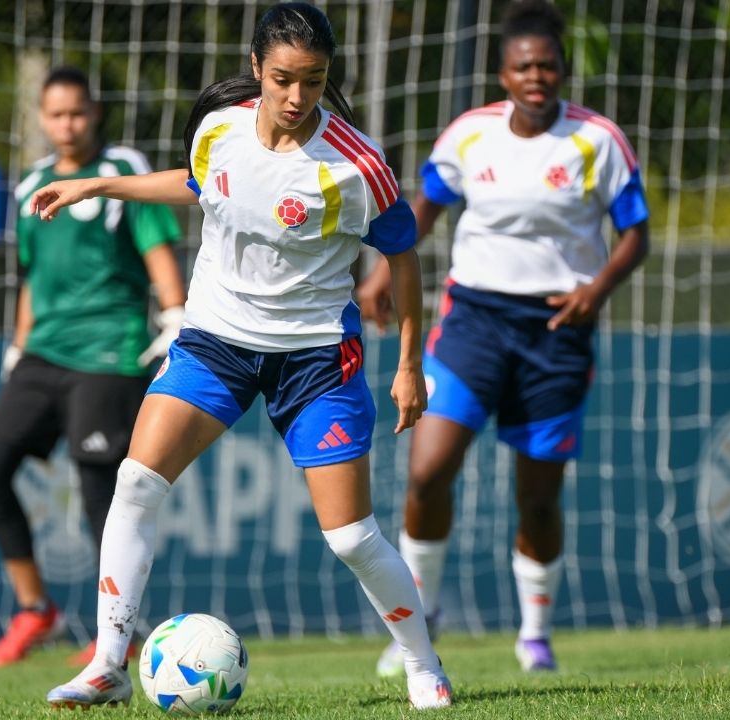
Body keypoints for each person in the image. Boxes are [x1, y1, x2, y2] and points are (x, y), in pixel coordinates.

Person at [28, 3, 453, 711]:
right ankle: (107, 666)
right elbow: (199, 186)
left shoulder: (357, 165)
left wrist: (409, 364)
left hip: (315, 361)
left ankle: (422, 663)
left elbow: (402, 256)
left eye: (314, 80)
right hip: (216, 342)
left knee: (351, 537)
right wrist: (97, 184)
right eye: (283, 78)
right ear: (257, 68)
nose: (297, 96)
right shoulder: (219, 129)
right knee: (136, 483)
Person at [358, 0, 650, 677]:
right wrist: (380, 274)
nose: (535, 77)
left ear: (562, 71)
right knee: (427, 472)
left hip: (557, 332)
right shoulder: (470, 135)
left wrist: (595, 290)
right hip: (473, 323)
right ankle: (420, 620)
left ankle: (536, 637)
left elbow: (637, 234)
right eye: (523, 67)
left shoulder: (597, 140)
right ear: (503, 74)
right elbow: (425, 207)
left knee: (538, 498)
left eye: (547, 66)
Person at [0, 66, 186, 668]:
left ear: (95, 113)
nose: (67, 124)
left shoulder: (121, 171)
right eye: (56, 114)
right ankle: (34, 610)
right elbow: (32, 280)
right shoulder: (31, 185)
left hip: (111, 352)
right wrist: (16, 354)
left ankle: (118, 632)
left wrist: (175, 315)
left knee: (100, 487)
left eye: (77, 112)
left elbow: (157, 249)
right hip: (42, 354)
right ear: (42, 119)